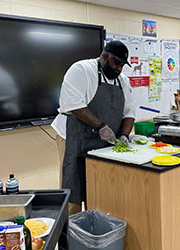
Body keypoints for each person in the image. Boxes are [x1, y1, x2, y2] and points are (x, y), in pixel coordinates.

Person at [51, 41, 135, 215]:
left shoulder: (122, 81)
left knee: (98, 188)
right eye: (116, 63)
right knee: (73, 187)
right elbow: (74, 105)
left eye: (122, 65)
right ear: (104, 56)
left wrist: (124, 135)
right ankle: (71, 236)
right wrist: (101, 126)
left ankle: (94, 228)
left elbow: (129, 112)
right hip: (74, 137)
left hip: (104, 141)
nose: (119, 69)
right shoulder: (81, 70)